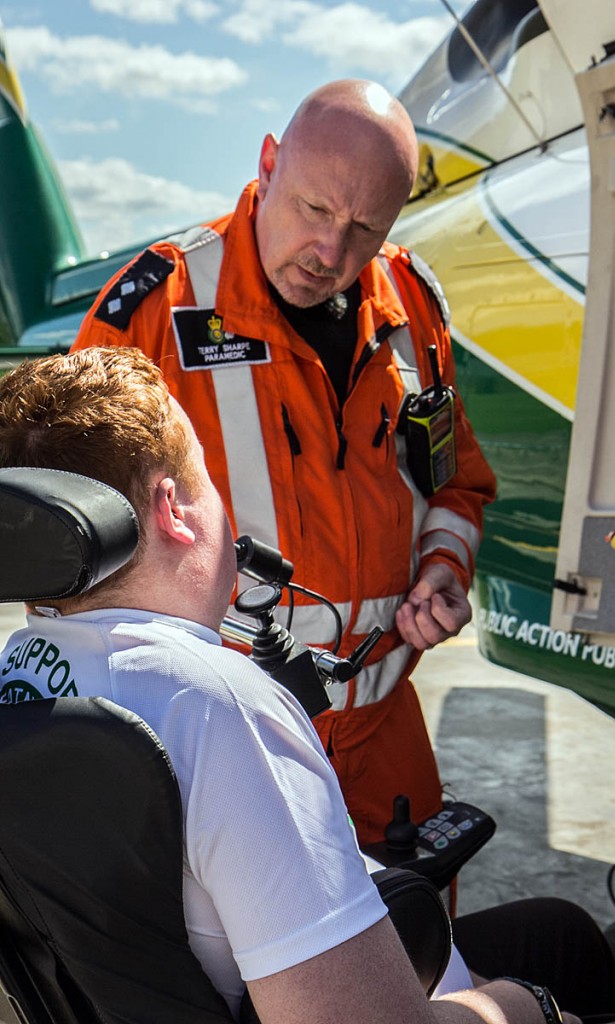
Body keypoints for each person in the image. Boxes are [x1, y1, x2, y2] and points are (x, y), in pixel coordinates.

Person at [0, 346, 573, 1024]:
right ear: (172, 509)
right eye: (206, 479)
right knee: (564, 956)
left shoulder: (21, 671)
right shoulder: (213, 703)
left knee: (553, 928)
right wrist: (523, 1005)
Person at [70, 78, 497, 850]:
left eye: (365, 227)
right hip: (219, 747)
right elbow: (71, 549)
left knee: (420, 953)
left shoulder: (413, 309)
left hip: (382, 744)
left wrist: (442, 570)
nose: (331, 252)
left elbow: (455, 483)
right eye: (314, 210)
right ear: (268, 165)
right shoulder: (155, 313)